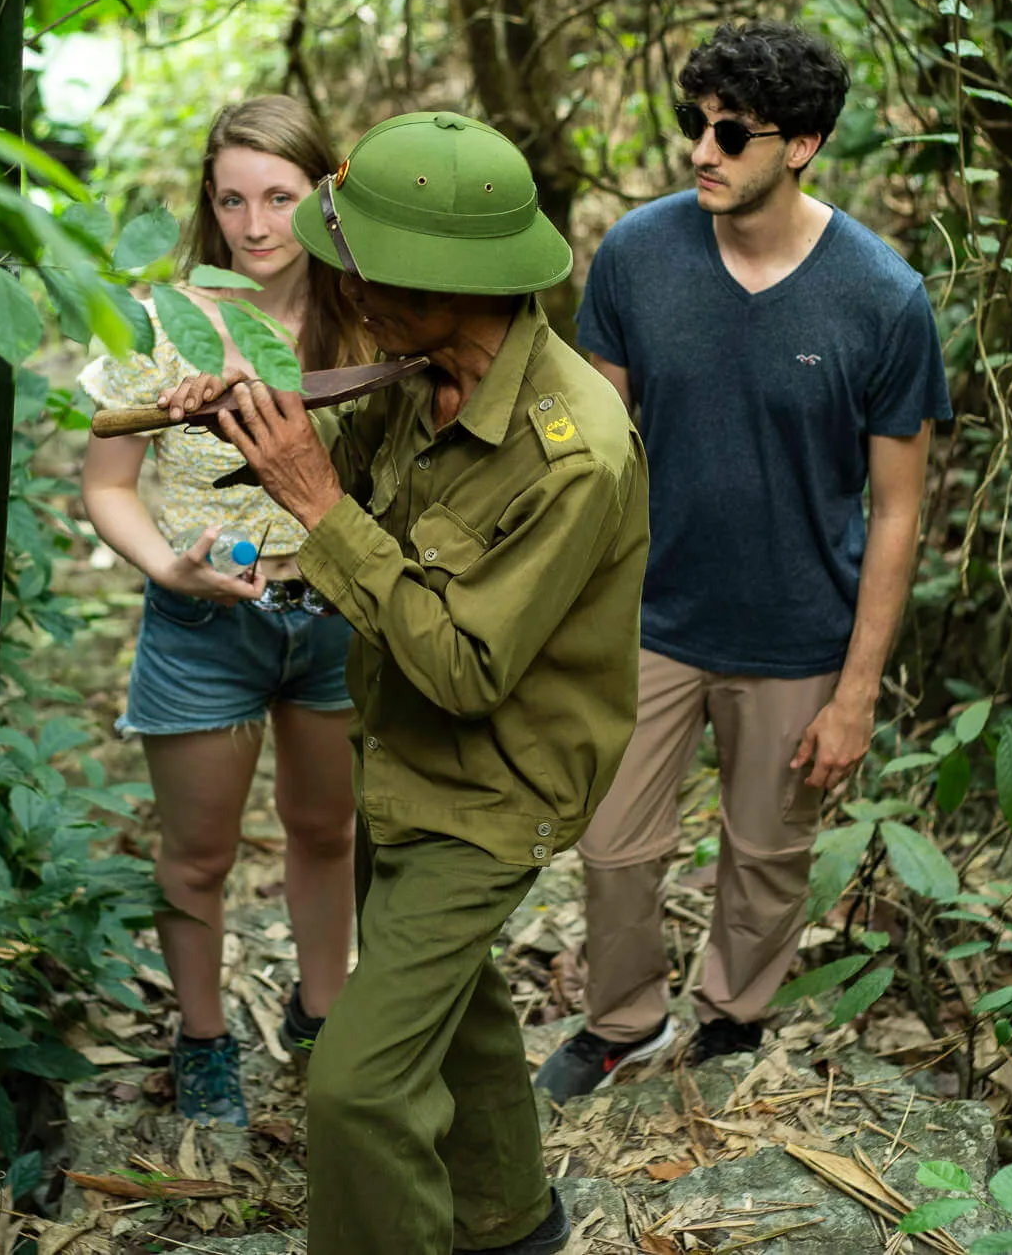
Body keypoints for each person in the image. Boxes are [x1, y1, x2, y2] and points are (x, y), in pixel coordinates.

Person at [157, 111, 648, 1255]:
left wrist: (315, 503)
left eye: (358, 267)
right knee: (453, 1005)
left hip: (490, 788)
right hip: (399, 756)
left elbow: (463, 665)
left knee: (358, 1085)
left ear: (436, 282)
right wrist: (243, 415)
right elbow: (367, 502)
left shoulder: (572, 450)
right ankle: (509, 1219)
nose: (338, 284)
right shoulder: (422, 368)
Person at [534, 21, 954, 1103]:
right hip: (648, 618)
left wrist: (855, 691)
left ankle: (730, 1016)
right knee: (612, 845)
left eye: (731, 131)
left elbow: (898, 512)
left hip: (794, 634)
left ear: (802, 143)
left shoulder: (881, 297)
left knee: (766, 856)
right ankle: (623, 1018)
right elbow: (592, 447)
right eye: (693, 124)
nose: (701, 150)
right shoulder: (636, 253)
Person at [78, 95, 373, 1126]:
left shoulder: (368, 311)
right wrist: (167, 567)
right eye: (232, 200)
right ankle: (202, 1036)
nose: (254, 226)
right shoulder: (160, 322)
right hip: (205, 621)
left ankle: (322, 1012)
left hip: (334, 610)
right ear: (208, 205)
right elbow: (107, 483)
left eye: (280, 198)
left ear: (324, 193)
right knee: (197, 851)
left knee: (325, 828)